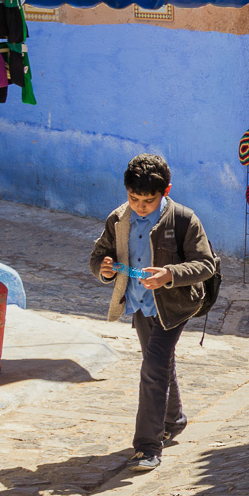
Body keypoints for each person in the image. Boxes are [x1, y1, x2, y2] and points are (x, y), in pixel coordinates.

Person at [90, 154, 217, 472]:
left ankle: (148, 447)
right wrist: (103, 269)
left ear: (166, 191)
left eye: (148, 200)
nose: (140, 206)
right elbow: (99, 255)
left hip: (175, 308)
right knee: (159, 364)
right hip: (138, 305)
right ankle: (173, 420)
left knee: (152, 368)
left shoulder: (185, 220)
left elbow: (205, 264)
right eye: (134, 198)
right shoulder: (119, 219)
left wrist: (169, 274)